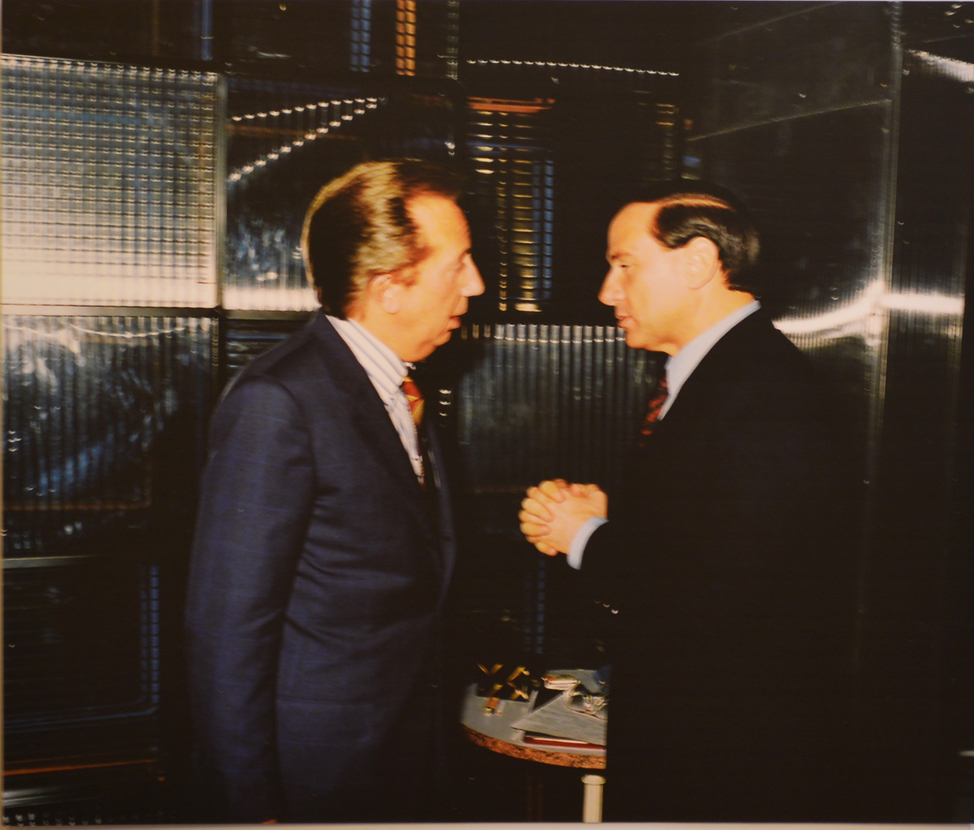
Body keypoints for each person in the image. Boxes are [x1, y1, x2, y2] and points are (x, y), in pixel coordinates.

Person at [519, 181, 861, 822]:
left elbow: (717, 594)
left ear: (699, 262)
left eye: (624, 265)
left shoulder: (764, 394)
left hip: (727, 769)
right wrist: (612, 517)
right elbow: (723, 538)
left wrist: (585, 537)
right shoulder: (723, 376)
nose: (607, 291)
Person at [185, 159, 484, 822]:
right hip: (317, 778)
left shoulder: (399, 387)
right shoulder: (278, 401)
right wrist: (251, 807)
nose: (477, 284)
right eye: (459, 264)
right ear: (390, 287)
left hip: (403, 758)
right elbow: (227, 631)